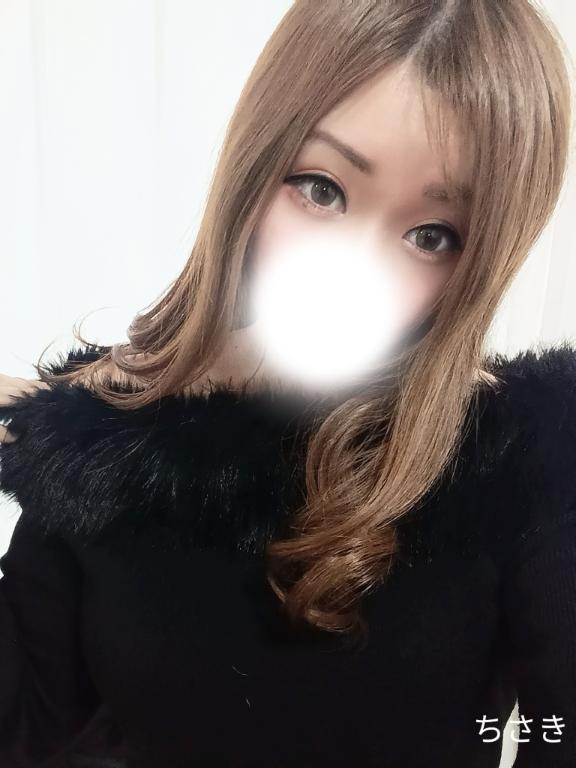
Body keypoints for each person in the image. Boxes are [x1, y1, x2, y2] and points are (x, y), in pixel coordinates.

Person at [0, 1, 575, 766]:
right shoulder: (97, 439)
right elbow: (30, 729)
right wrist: (64, 431)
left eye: (431, 236)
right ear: (257, 161)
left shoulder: (524, 455)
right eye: (321, 189)